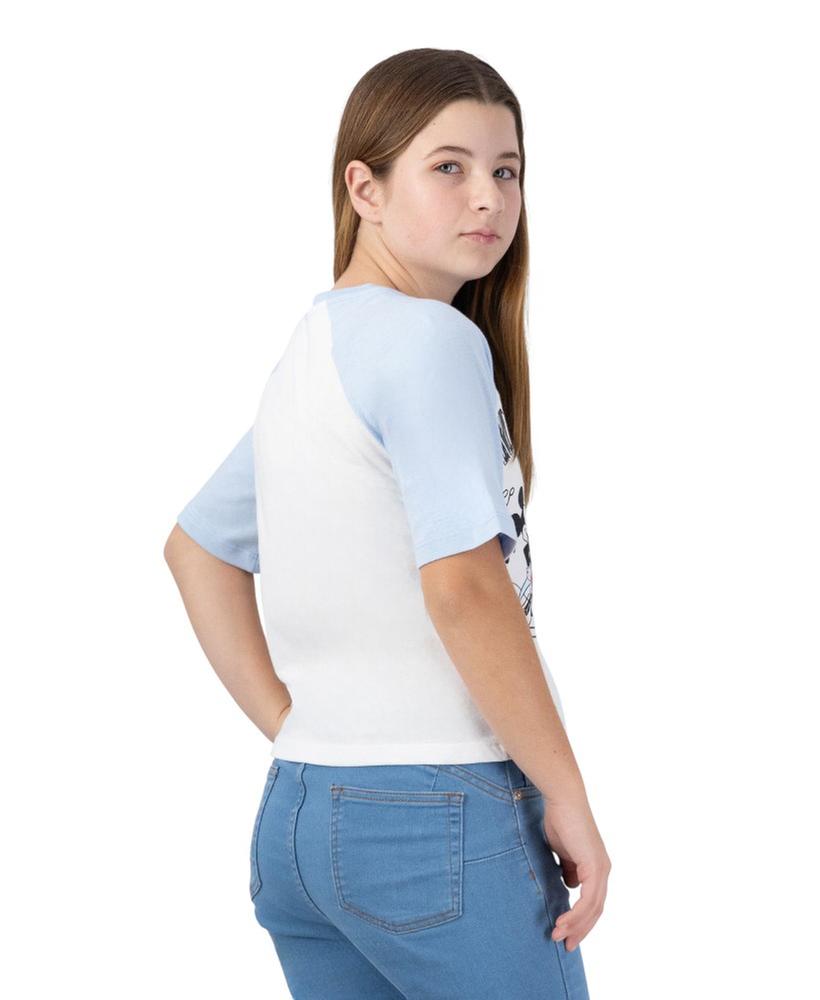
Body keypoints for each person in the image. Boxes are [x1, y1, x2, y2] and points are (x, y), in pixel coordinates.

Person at [164, 47, 610, 1000]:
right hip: (438, 817)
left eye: (506, 170)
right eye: (449, 167)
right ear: (363, 188)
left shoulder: (314, 351)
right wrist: (566, 791)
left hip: (302, 813)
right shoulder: (428, 339)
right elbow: (464, 588)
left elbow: (195, 550)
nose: (487, 197)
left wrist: (300, 730)